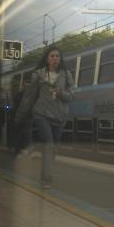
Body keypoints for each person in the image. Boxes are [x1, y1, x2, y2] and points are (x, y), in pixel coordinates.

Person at [15, 46, 75, 189]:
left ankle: (46, 172)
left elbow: (71, 95)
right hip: (42, 114)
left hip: (59, 115)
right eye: (52, 56)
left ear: (60, 59)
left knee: (54, 148)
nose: (55, 59)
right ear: (47, 59)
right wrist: (20, 115)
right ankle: (46, 178)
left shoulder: (66, 75)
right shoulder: (39, 75)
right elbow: (29, 97)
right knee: (48, 144)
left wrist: (60, 93)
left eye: (57, 56)